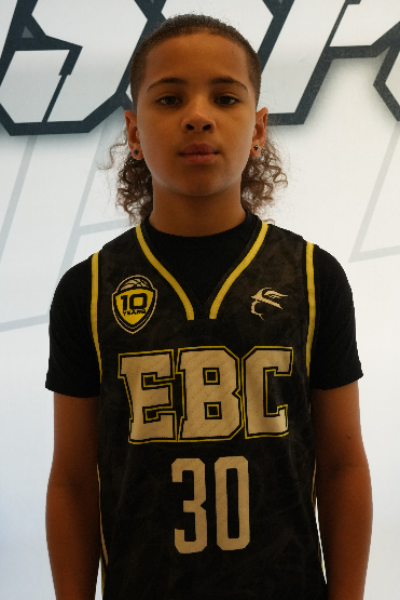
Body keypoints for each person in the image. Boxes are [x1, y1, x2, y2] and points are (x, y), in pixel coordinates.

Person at [45, 14, 372, 600]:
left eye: (225, 97)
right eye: (169, 98)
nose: (198, 116)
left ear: (258, 128)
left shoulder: (312, 276)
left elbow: (343, 466)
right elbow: (72, 480)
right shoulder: (88, 289)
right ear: (134, 132)